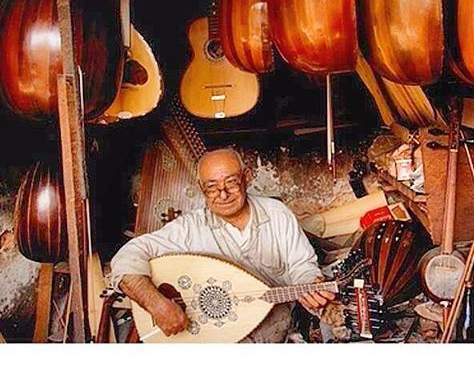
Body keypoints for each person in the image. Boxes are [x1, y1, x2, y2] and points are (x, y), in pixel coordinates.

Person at [110, 147, 335, 342]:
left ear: (245, 178)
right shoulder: (190, 228)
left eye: (231, 182)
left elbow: (302, 265)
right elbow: (126, 257)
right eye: (212, 187)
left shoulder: (278, 215)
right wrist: (156, 304)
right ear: (201, 188)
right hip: (217, 336)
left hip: (276, 328)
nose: (223, 194)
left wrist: (308, 284)